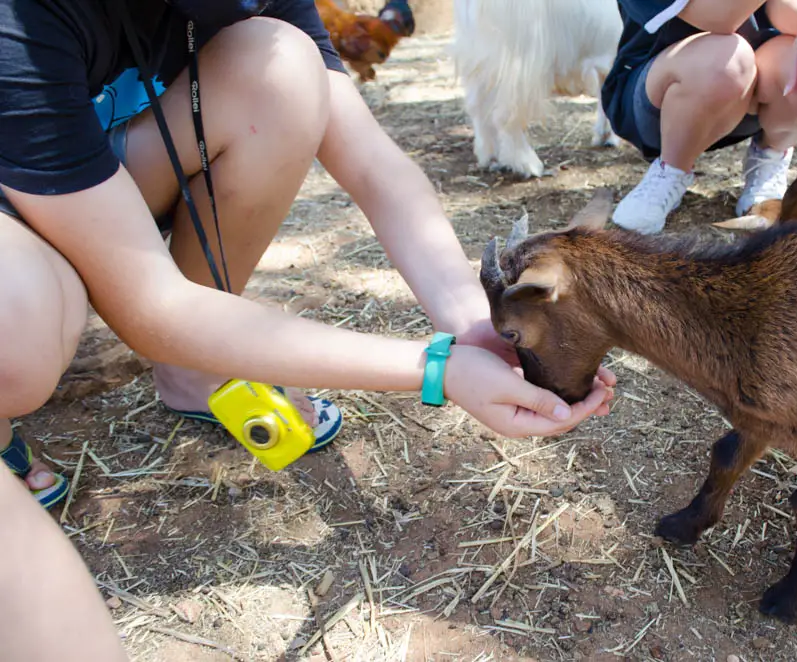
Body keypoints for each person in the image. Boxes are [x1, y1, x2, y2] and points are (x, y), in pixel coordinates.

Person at [0, 1, 615, 658]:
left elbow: (376, 167)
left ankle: (194, 372)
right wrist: (434, 369)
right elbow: (152, 306)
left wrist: (468, 321)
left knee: (285, 70)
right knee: (17, 331)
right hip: (19, 204)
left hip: (111, 166)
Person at [601, 0, 797, 234]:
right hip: (658, 103)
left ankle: (769, 159)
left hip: (748, 94)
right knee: (727, 59)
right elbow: (721, 18)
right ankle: (670, 170)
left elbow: (787, 9)